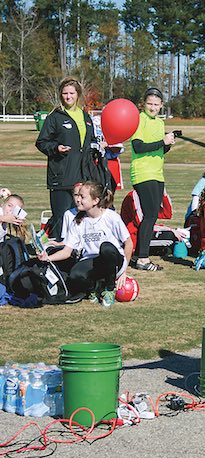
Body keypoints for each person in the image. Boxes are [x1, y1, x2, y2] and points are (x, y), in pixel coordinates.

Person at [39, 181, 133, 307]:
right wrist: (47, 258)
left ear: (95, 200)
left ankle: (109, 289)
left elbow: (129, 243)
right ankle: (94, 287)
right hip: (92, 260)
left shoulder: (111, 217)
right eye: (77, 196)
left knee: (106, 248)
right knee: (75, 275)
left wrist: (123, 271)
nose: (78, 199)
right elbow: (67, 251)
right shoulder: (78, 221)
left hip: (113, 260)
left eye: (82, 197)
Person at [36, 77, 97, 242]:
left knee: (80, 218)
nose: (68, 97)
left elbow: (90, 143)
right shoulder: (55, 117)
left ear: (78, 95)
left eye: (71, 93)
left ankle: (75, 252)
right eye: (65, 93)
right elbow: (41, 142)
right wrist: (56, 148)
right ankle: (54, 254)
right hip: (61, 177)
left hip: (83, 177)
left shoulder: (86, 117)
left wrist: (98, 145)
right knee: (60, 219)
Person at [129, 86, 176, 271]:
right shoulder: (139, 119)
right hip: (143, 173)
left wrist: (168, 144)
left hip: (157, 173)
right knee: (149, 215)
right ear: (144, 104)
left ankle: (140, 254)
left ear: (162, 105)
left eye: (156, 104)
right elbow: (138, 146)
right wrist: (161, 142)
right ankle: (142, 258)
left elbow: (159, 149)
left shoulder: (159, 123)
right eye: (149, 103)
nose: (153, 107)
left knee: (153, 215)